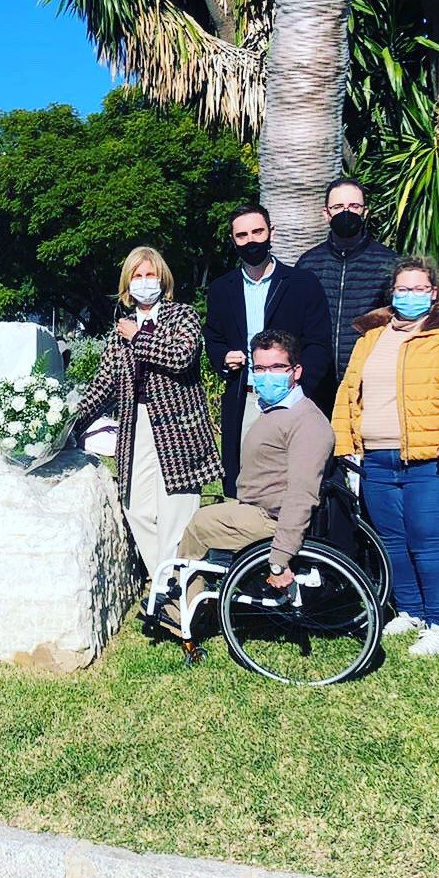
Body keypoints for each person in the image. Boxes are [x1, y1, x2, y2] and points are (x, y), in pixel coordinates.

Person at [332, 257, 439, 657]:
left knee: (428, 540)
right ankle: (410, 611)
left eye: (419, 289)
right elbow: (348, 394)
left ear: (433, 293)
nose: (410, 295)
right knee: (393, 541)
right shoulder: (371, 338)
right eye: (403, 289)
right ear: (392, 293)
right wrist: (346, 446)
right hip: (377, 459)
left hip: (434, 459)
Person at [76, 246, 221, 575]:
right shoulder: (121, 328)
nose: (144, 281)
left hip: (179, 430)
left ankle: (175, 591)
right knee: (136, 508)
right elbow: (104, 384)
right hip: (136, 424)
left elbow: (181, 357)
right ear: (128, 284)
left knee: (176, 513)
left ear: (162, 278)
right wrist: (69, 424)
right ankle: (169, 582)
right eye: (137, 275)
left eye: (150, 274)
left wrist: (139, 337)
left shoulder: (182, 315)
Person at [174, 329, 334, 608]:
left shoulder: (306, 422)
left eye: (276, 367)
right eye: (259, 368)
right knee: (208, 513)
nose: (266, 375)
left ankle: (183, 610)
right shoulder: (277, 409)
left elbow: (302, 495)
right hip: (256, 507)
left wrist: (280, 558)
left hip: (270, 518)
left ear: (296, 372)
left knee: (200, 524)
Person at [204, 202, 332, 498]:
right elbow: (213, 337)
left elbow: (318, 343)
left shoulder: (301, 284)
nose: (251, 241)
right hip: (246, 398)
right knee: (245, 482)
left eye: (257, 232)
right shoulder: (223, 289)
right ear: (233, 240)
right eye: (242, 235)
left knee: (292, 481)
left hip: (293, 399)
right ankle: (248, 541)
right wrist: (222, 358)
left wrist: (300, 388)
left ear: (271, 232)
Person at [295, 176, 398, 413]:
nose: (346, 212)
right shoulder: (309, 263)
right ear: (326, 213)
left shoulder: (389, 262)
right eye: (338, 207)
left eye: (354, 206)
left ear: (365, 212)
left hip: (369, 381)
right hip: (317, 384)